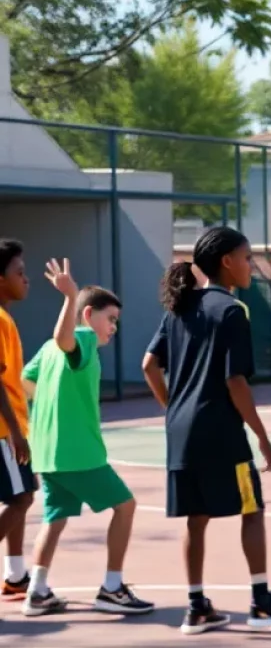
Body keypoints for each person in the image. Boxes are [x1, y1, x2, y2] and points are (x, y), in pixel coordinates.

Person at [142, 226, 271, 636]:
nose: (251, 264)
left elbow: (149, 365)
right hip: (220, 431)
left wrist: (174, 409)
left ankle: (196, 607)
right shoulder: (232, 311)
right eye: (248, 257)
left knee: (195, 519)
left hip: (180, 430)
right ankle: (261, 602)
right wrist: (262, 437)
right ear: (227, 262)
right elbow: (236, 381)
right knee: (252, 510)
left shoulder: (179, 308)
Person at [20, 260, 153, 617]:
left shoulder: (48, 349)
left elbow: (23, 382)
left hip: (47, 454)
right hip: (77, 453)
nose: (113, 327)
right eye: (110, 319)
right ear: (89, 314)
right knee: (125, 506)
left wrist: (54, 402)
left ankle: (37, 591)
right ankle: (112, 588)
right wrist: (69, 296)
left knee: (55, 518)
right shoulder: (82, 339)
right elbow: (67, 339)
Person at [0, 239, 33, 600]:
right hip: (3, 431)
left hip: (9, 428)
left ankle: (16, 575)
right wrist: (14, 431)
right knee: (21, 498)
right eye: (19, 273)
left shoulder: (5, 317)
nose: (26, 279)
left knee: (20, 497)